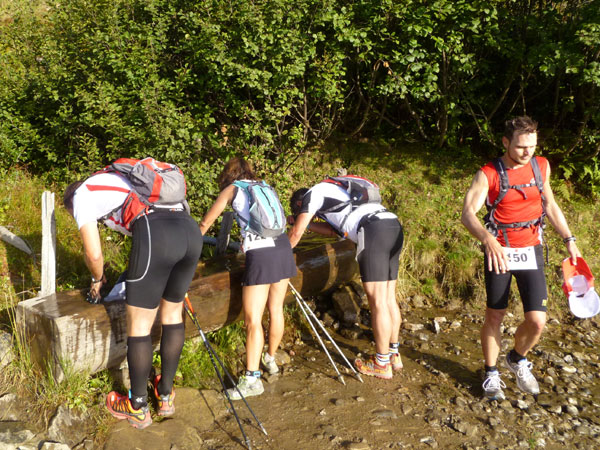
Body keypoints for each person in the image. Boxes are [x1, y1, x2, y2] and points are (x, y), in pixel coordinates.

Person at [63, 163, 202, 429]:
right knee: (173, 314)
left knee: (139, 325)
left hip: (156, 232)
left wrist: (97, 280)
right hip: (189, 230)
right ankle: (165, 395)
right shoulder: (121, 180)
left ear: (71, 204)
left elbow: (94, 254)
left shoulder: (81, 195)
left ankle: (137, 406)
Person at [461, 116, 581, 400]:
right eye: (520, 147)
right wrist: (488, 239)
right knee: (495, 314)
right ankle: (491, 373)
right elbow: (467, 214)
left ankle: (516, 358)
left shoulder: (541, 166)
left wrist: (569, 240)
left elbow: (550, 204)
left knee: (537, 321)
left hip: (531, 250)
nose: (527, 152)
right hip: (500, 252)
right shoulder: (488, 173)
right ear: (506, 142)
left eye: (532, 146)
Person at [199, 157, 296, 399]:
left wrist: (188, 246)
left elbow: (206, 222)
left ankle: (252, 380)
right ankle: (270, 359)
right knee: (276, 309)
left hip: (261, 254)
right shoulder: (265, 186)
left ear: (228, 174)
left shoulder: (233, 189)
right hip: (283, 247)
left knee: (253, 320)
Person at [288, 177, 404, 380]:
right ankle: (393, 355)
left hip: (373, 230)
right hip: (392, 225)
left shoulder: (312, 195)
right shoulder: (334, 192)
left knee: (377, 301)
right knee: (388, 298)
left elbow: (297, 232)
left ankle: (381, 364)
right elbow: (333, 231)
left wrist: (280, 254)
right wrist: (306, 224)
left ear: (300, 203)